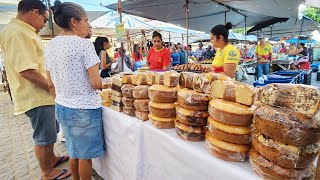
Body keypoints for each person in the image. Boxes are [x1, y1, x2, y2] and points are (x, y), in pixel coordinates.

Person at [0, 0, 71, 179]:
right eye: (45, 19)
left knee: (50, 132)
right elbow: (27, 71)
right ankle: (47, 172)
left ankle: (52, 159)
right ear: (34, 12)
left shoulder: (23, 31)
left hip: (41, 94)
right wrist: (53, 87)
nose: (44, 24)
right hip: (36, 96)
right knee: (44, 137)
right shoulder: (17, 33)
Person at [45, 1, 105, 180]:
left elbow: (50, 84)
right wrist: (101, 82)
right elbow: (96, 83)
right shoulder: (84, 45)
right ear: (74, 21)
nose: (89, 25)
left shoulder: (50, 46)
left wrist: (62, 98)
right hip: (84, 110)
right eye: (86, 20)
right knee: (85, 158)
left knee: (73, 152)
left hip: (62, 107)